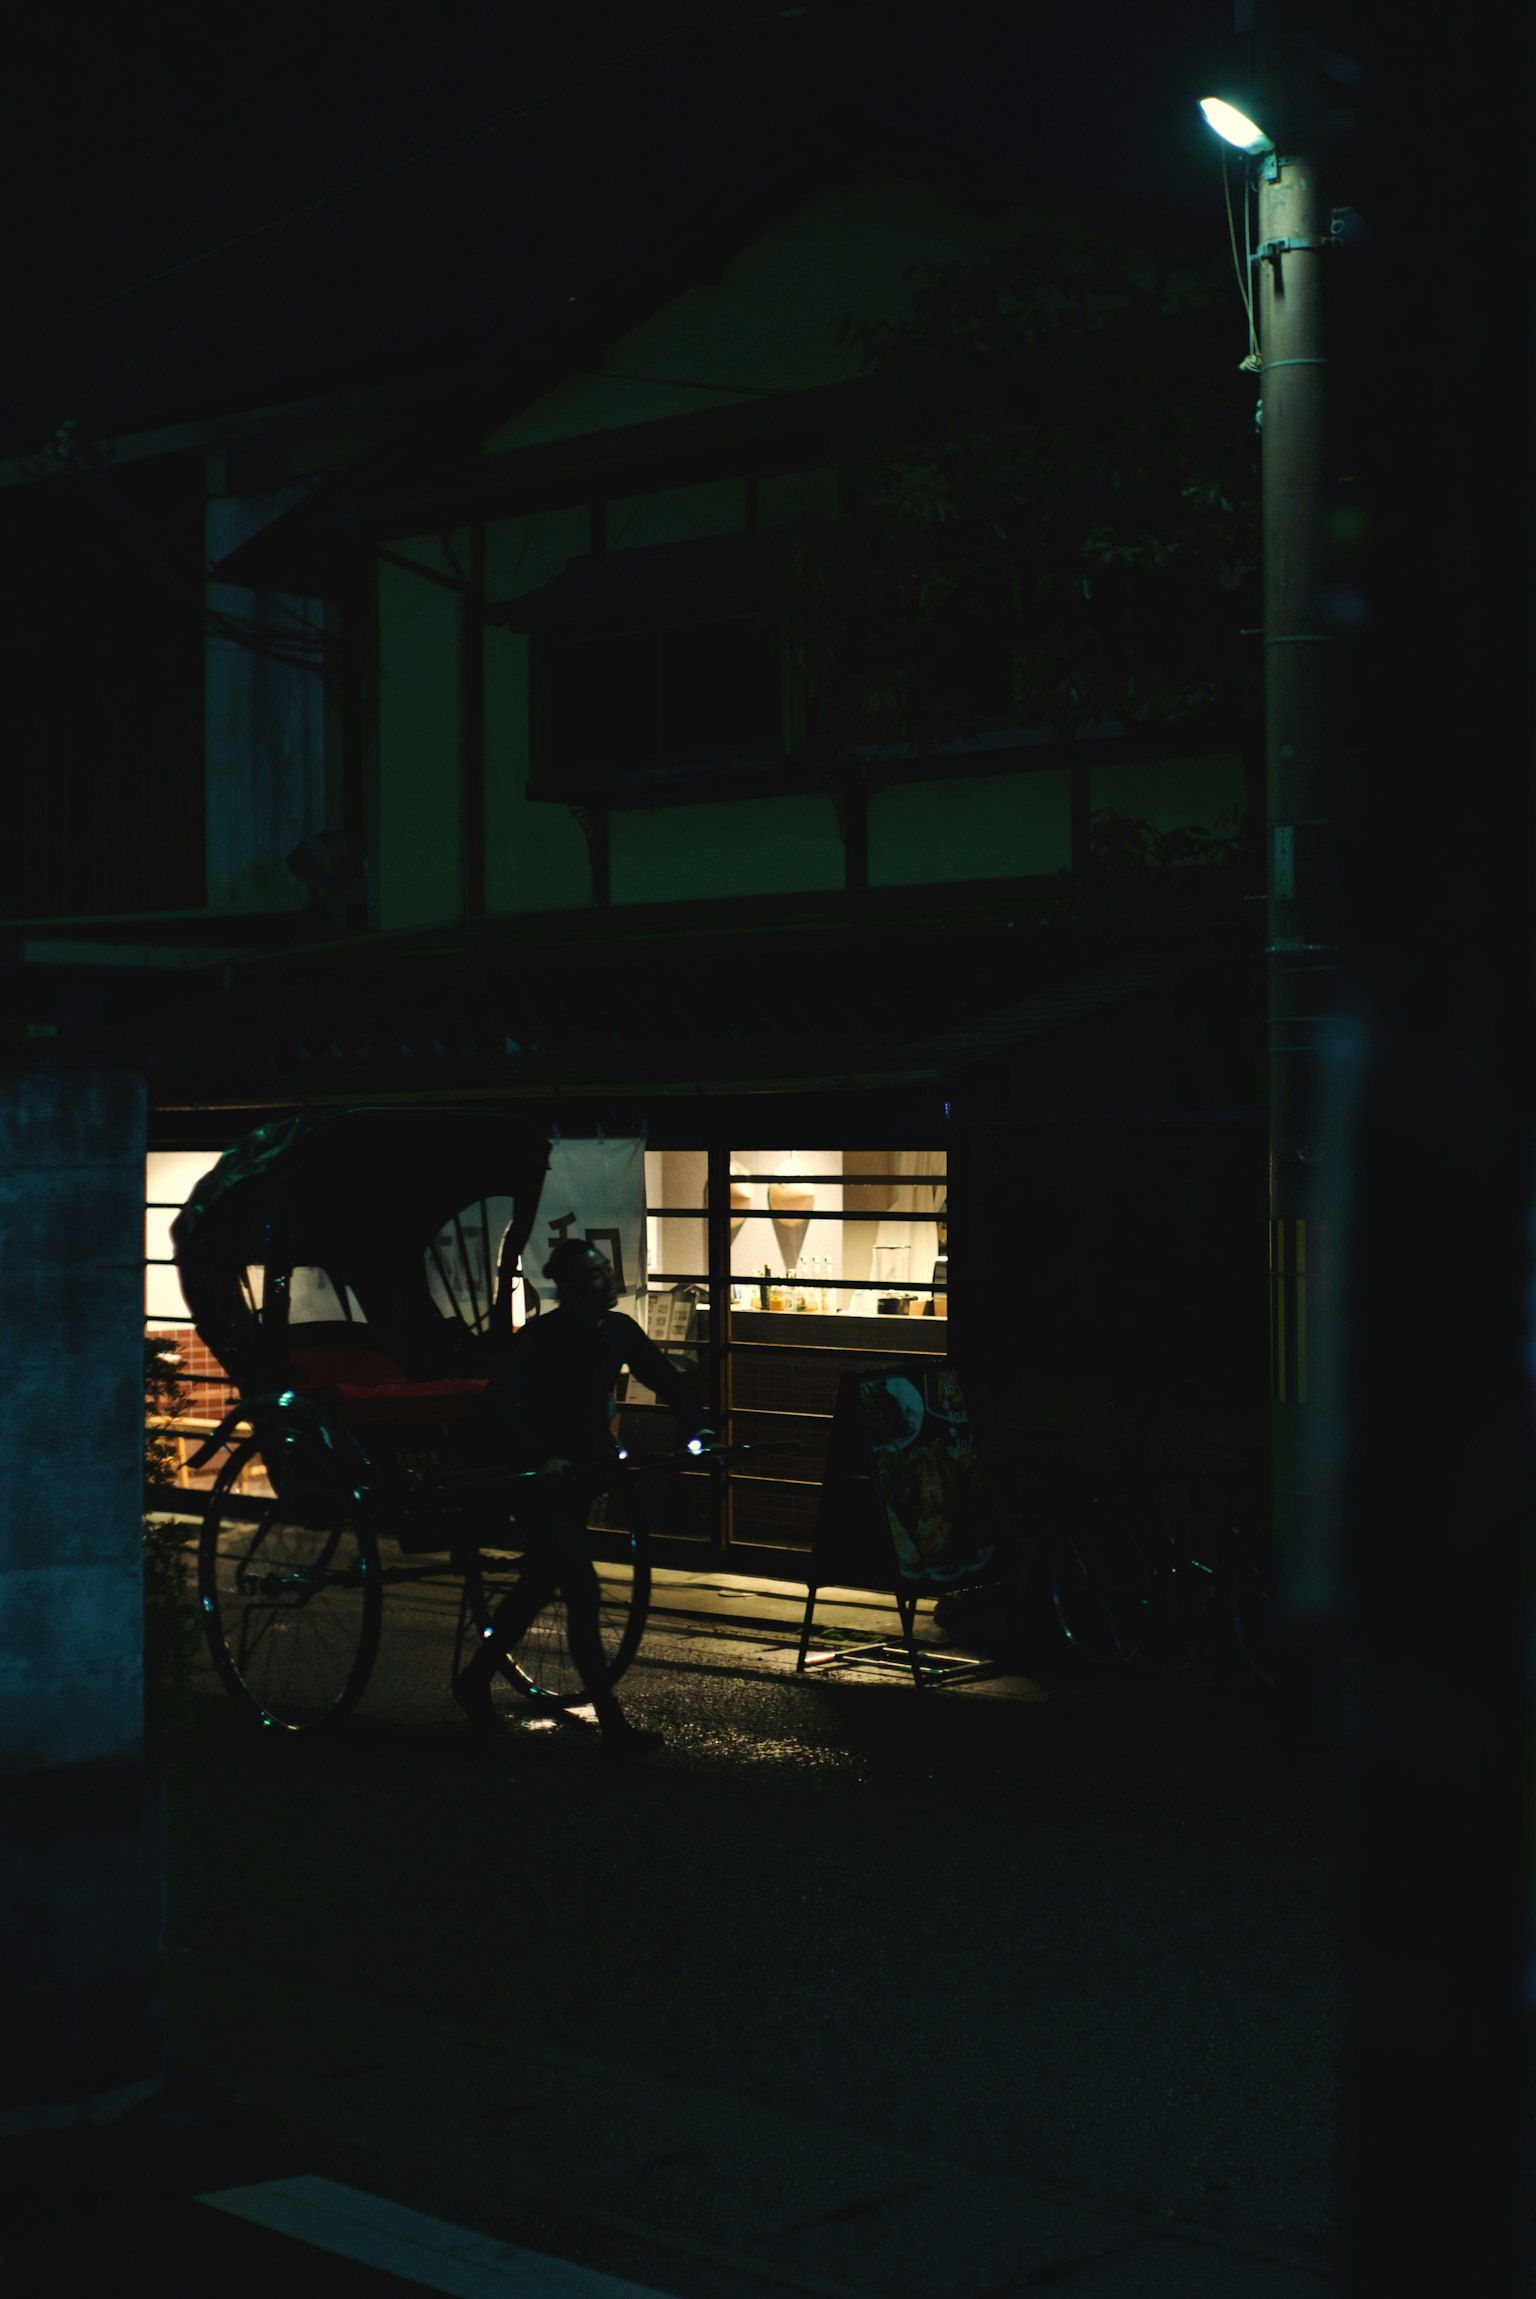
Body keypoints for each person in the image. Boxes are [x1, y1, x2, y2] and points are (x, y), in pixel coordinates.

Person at [451, 1238, 715, 1760]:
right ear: (570, 1288)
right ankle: (613, 1726)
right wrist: (538, 1455)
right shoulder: (542, 1337)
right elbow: (499, 1402)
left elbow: (666, 1379)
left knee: (539, 1582)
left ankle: (475, 1678)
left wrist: (698, 1427)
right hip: (536, 1475)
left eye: (605, 1271)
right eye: (594, 1275)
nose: (607, 1280)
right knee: (581, 1589)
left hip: (584, 1472)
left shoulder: (617, 1331)